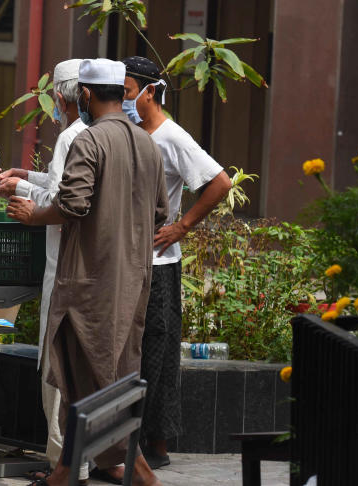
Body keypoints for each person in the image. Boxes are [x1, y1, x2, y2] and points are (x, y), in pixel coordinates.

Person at [7, 59, 167, 486]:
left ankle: (139, 472)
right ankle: (64, 473)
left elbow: (73, 205)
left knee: (92, 380)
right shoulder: (148, 143)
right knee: (102, 378)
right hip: (132, 283)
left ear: (87, 95)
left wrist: (33, 214)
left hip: (90, 283)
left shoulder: (89, 141)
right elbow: (160, 212)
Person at [120, 56, 231, 469]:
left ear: (150, 91)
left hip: (160, 264)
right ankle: (130, 440)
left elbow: (220, 183)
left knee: (158, 354)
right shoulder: (129, 132)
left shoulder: (172, 136)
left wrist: (181, 226)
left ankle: (157, 444)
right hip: (128, 260)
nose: (125, 98)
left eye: (129, 90)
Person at [0, 59, 89, 483]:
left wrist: (21, 190)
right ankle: (80, 460)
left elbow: (61, 199)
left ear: (64, 98)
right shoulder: (106, 135)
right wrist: (26, 174)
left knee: (56, 367)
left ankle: (61, 463)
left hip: (63, 264)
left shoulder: (71, 136)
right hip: (90, 270)